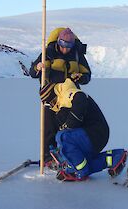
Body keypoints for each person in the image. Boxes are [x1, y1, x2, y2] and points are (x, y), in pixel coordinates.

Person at [39, 78, 128, 181]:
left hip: (95, 132)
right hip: (95, 135)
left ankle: (79, 171)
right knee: (84, 162)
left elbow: (80, 99)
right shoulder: (60, 105)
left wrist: (69, 125)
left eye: (52, 101)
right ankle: (115, 157)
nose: (53, 105)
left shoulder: (67, 92)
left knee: (62, 137)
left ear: (55, 94)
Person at [30, 27, 92, 164]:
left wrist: (80, 77)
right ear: (58, 42)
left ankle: (68, 156)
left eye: (69, 46)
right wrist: (38, 68)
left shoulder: (77, 55)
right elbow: (32, 73)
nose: (65, 50)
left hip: (70, 100)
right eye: (63, 46)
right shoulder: (48, 53)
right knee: (49, 130)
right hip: (51, 98)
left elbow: (87, 76)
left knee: (69, 129)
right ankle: (47, 159)